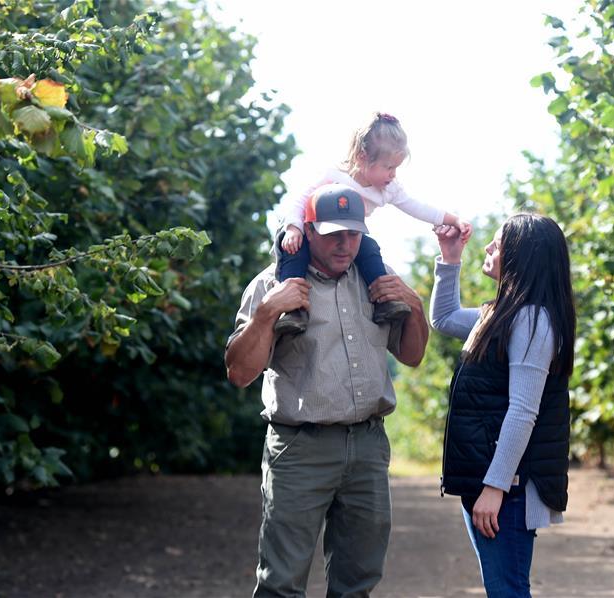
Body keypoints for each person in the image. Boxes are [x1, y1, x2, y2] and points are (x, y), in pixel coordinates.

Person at [225, 184, 430, 597]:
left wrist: (416, 307)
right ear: (308, 230)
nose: (345, 244)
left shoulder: (379, 283)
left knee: (358, 582)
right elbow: (240, 373)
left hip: (369, 446)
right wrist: (266, 314)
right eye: (334, 233)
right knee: (281, 583)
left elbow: (411, 356)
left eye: (353, 234)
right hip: (301, 448)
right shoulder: (272, 286)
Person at [430, 214, 576, 597]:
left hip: (505, 488)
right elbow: (443, 318)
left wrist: (495, 488)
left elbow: (523, 411)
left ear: (521, 256)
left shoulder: (531, 319)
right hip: (487, 481)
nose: (489, 248)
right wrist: (449, 259)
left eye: (498, 243)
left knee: (508, 590)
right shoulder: (500, 315)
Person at [273, 112, 472, 335]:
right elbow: (300, 200)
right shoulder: (335, 176)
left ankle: (383, 300)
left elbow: (418, 207)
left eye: (396, 168)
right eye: (388, 167)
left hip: (346, 234)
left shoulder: (388, 189)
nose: (393, 174)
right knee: (293, 252)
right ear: (361, 157)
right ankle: (292, 309)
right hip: (309, 229)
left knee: (369, 248)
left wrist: (453, 220)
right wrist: (293, 227)